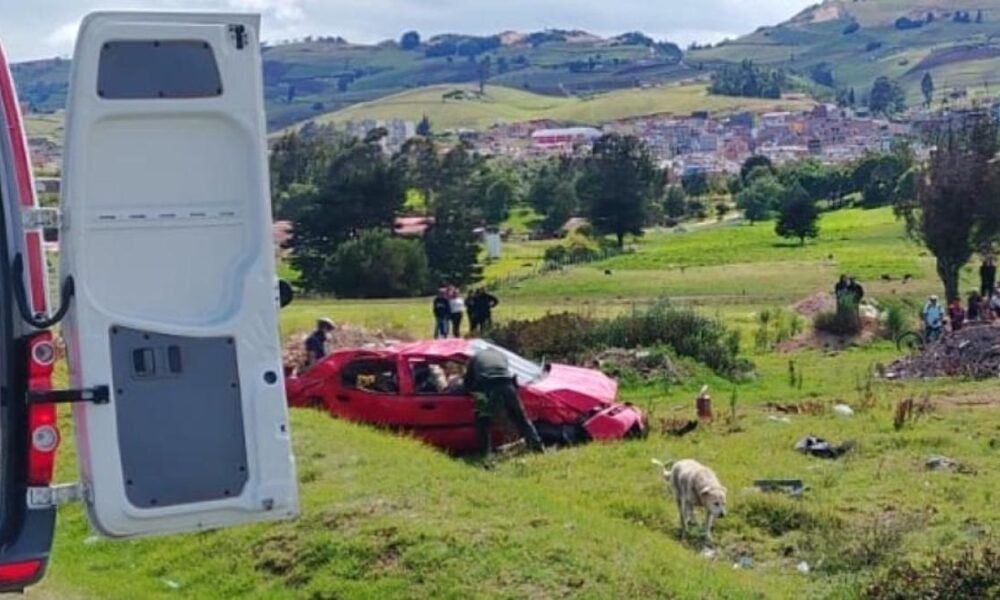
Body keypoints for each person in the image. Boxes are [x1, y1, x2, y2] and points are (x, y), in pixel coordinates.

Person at [463, 347, 545, 456]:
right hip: (507, 385)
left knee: (483, 421)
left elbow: (467, 381)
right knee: (521, 418)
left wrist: (471, 392)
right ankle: (538, 448)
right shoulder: (501, 356)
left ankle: (485, 453)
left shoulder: (476, 358)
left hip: (485, 386)